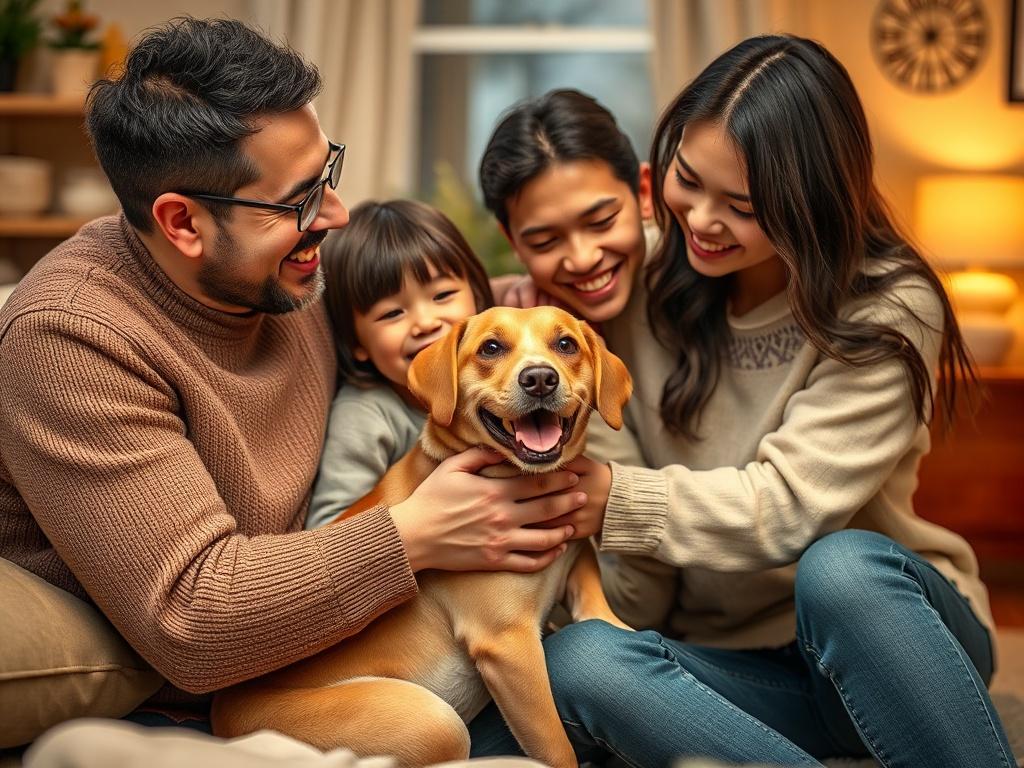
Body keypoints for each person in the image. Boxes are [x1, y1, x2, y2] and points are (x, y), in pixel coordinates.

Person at [0, 16, 584, 749]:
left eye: (327, 173)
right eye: (299, 200)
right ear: (183, 223)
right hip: (189, 700)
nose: (335, 216)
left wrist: (573, 288)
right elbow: (194, 616)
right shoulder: (72, 340)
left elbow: (418, 319)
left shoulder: (278, 269)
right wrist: (416, 532)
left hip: (330, 648)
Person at [474, 39, 1016, 767]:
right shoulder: (633, 279)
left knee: (842, 569)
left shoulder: (887, 305)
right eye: (687, 182)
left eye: (742, 206)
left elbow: (787, 507)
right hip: (742, 669)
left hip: (890, 639)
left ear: (810, 204)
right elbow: (568, 256)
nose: (698, 221)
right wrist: (522, 316)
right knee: (582, 659)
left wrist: (613, 497)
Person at [305, 199, 493, 529]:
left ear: (477, 297)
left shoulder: (502, 383)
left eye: (442, 295)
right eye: (393, 313)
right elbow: (327, 532)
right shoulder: (367, 415)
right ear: (356, 343)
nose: (425, 322)